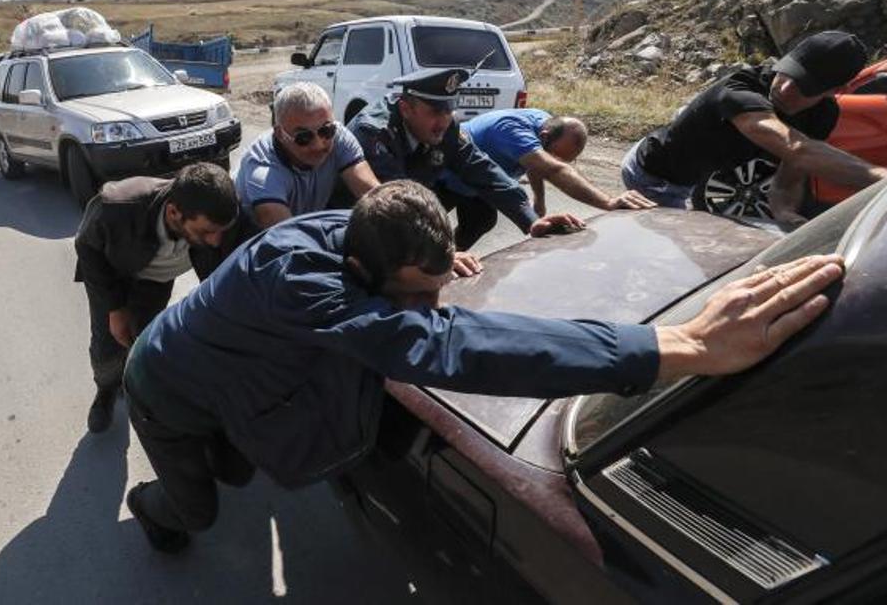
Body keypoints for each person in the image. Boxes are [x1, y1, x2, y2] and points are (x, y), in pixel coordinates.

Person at [121, 180, 843, 552]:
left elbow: (426, 295)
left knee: (237, 464)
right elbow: (454, 346)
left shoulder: (368, 235)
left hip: (234, 381)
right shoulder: (304, 283)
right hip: (164, 389)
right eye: (418, 295)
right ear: (361, 270)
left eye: (439, 286)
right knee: (200, 508)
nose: (432, 305)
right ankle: (149, 507)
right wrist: (678, 347)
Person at [623, 30, 887, 223]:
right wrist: (879, 177)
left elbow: (788, 178)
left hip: (692, 176)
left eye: (804, 86)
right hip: (650, 174)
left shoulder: (823, 115)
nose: (783, 88)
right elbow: (797, 149)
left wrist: (784, 212)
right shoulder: (739, 88)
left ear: (835, 91)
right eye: (788, 72)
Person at [73, 163, 239, 433]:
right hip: (114, 276)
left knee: (143, 337)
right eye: (206, 232)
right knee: (108, 343)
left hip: (156, 282)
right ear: (174, 212)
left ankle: (138, 388)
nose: (216, 241)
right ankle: (105, 390)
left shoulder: (221, 213)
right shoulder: (117, 205)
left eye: (221, 230)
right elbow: (85, 245)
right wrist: (115, 309)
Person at [346, 67, 583, 249]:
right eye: (435, 112)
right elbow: (396, 207)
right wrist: (440, 254)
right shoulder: (375, 133)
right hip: (353, 227)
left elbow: (481, 169)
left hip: (390, 221)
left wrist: (531, 220)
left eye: (449, 110)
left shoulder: (444, 126)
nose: (444, 121)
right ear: (406, 109)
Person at [235, 82, 379, 230]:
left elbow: (375, 198)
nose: (318, 145)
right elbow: (286, 238)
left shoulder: (339, 136)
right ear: (279, 134)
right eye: (303, 137)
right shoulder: (263, 170)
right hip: (253, 237)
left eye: (326, 131)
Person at [460, 108, 655, 215]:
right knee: (433, 230)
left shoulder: (545, 123)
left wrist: (539, 201)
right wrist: (608, 202)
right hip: (447, 173)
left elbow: (536, 164)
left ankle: (449, 266)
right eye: (555, 157)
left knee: (481, 220)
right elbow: (551, 169)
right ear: (543, 137)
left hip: (478, 180)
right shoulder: (512, 131)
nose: (558, 162)